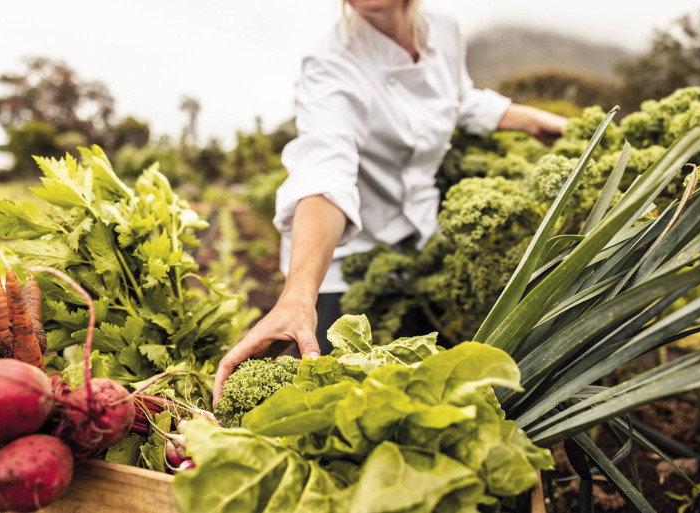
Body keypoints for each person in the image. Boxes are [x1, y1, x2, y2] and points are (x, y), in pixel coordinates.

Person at [213, 0, 567, 401]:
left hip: (422, 247)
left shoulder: (443, 27)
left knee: (434, 397)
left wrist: (531, 119)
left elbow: (457, 98)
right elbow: (325, 171)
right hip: (344, 263)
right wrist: (298, 295)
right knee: (341, 402)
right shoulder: (331, 64)